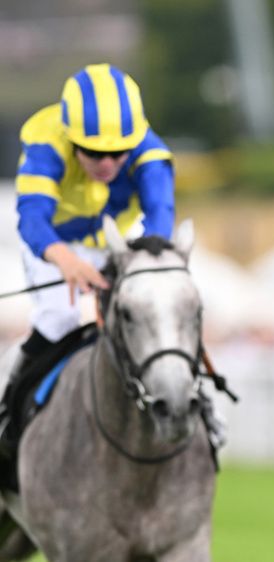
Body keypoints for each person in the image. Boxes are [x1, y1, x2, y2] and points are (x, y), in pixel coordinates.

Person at [0, 64, 176, 452]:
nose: (107, 164)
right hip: (54, 243)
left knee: (160, 311)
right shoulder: (46, 142)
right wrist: (66, 260)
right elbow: (32, 219)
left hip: (119, 240)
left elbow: (160, 222)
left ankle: (201, 411)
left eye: (118, 152)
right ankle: (9, 412)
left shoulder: (150, 152)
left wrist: (146, 269)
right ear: (71, 138)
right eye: (94, 152)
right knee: (58, 318)